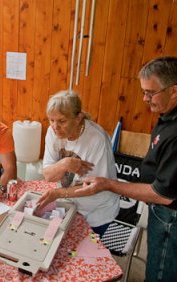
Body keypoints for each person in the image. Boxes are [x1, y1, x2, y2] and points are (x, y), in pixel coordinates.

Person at [76, 56, 177, 281]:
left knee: (160, 273)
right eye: (144, 91)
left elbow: (162, 195)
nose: (144, 98)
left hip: (174, 216)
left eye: (150, 93)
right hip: (174, 209)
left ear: (174, 90)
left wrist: (108, 184)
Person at [36, 90, 120, 237]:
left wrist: (58, 193)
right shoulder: (52, 132)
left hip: (96, 211)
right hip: (70, 205)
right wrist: (65, 164)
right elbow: (49, 175)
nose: (55, 127)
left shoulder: (97, 139)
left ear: (78, 118)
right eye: (51, 120)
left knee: (84, 252)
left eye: (62, 121)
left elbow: (97, 186)